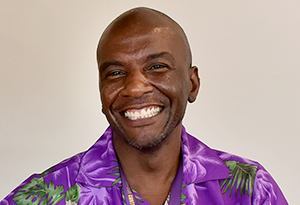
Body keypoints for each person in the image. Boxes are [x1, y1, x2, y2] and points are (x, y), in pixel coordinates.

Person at [1, 7, 288, 205]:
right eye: (115, 73)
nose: (135, 87)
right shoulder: (46, 196)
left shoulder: (250, 190)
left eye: (157, 67)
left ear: (192, 84)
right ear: (102, 92)